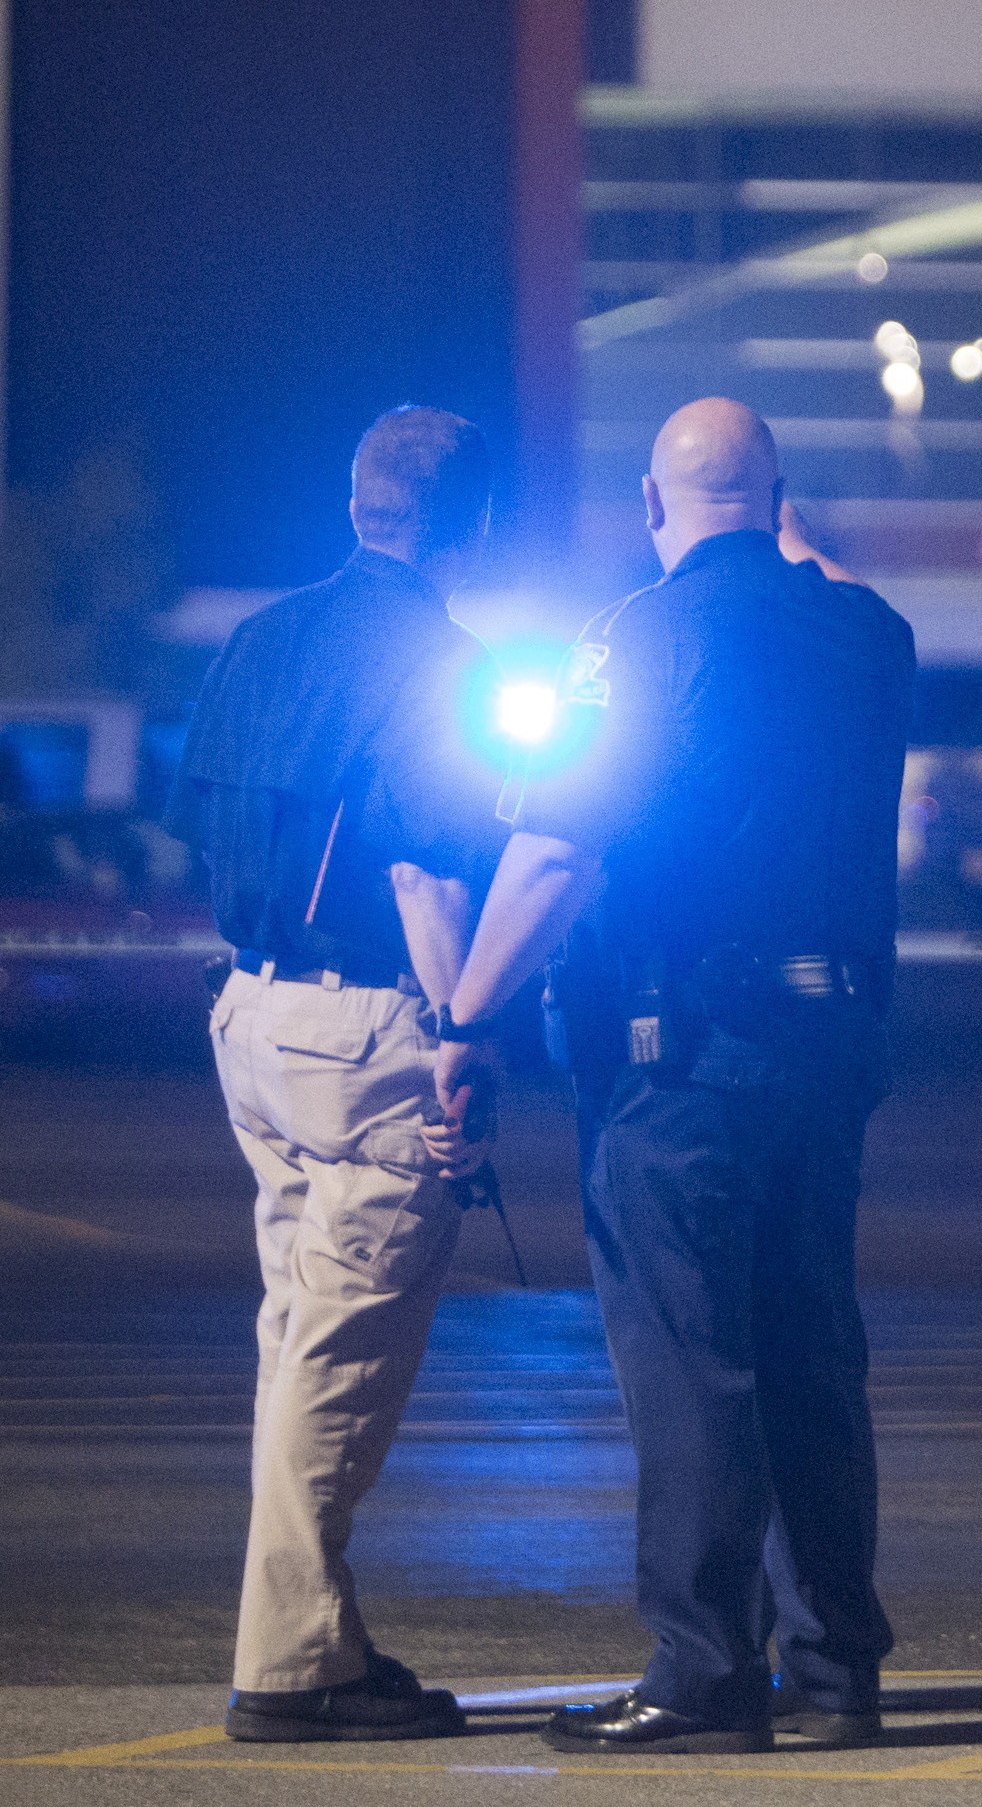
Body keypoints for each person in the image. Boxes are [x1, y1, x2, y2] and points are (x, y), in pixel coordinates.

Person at [438, 398, 916, 1756]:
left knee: (692, 1362)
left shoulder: (635, 638)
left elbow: (553, 850)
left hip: (680, 1061)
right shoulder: (873, 635)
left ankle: (704, 1671)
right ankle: (836, 1669)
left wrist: (464, 1009)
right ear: (779, 498)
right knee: (812, 1351)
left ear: (652, 505)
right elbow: (811, 589)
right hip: (829, 1050)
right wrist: (781, 530)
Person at [168, 407, 508, 1744]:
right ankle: (294, 1663)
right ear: (473, 522)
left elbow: (198, 823)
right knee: (339, 1353)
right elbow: (424, 865)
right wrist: (459, 1034)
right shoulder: (436, 660)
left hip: (249, 1014)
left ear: (357, 500)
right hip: (367, 1029)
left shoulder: (255, 639)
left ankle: (319, 1634)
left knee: (294, 1341)